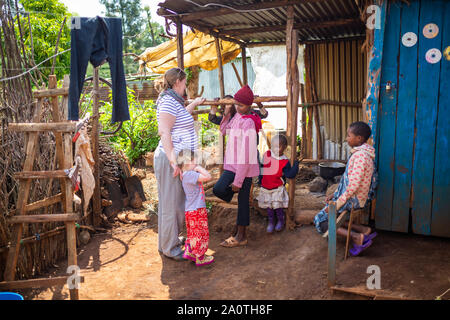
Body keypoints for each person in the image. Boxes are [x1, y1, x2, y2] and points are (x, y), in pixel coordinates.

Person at [154, 67, 205, 261]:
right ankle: (171, 248)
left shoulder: (173, 101)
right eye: (184, 83)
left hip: (175, 159)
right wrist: (174, 162)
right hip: (171, 161)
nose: (185, 87)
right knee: (172, 205)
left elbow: (181, 116)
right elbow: (165, 132)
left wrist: (195, 103)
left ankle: (166, 242)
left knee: (171, 203)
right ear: (177, 82)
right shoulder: (168, 101)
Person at [314, 121, 378, 256]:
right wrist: (336, 194)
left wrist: (336, 204)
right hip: (356, 198)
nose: (346, 138)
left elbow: (353, 186)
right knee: (330, 214)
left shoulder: (361, 156)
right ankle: (363, 230)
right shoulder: (362, 153)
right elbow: (348, 181)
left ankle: (356, 237)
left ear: (359, 138)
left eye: (349, 135)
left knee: (321, 220)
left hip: (355, 200)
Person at [213, 85, 260, 247]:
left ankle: (241, 236)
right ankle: (239, 229)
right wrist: (226, 113)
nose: (238, 108)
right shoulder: (237, 117)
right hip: (232, 166)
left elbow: (246, 156)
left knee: (243, 202)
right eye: (236, 104)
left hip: (244, 169)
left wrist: (238, 182)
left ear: (249, 105)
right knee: (218, 189)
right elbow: (224, 130)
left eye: (241, 105)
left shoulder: (249, 124)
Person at [176, 149, 214, 266]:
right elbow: (208, 176)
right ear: (187, 162)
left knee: (193, 233)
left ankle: (192, 253)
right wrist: (198, 168)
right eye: (194, 161)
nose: (197, 162)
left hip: (191, 210)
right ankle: (200, 257)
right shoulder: (191, 174)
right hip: (197, 210)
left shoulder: (185, 174)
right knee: (200, 234)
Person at [256, 134, 299, 233]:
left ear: (284, 148)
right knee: (269, 207)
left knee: (277, 206)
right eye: (273, 146)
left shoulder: (284, 161)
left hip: (277, 188)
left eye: (278, 147)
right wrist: (260, 180)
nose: (275, 149)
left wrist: (296, 165)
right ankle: (271, 222)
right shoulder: (267, 154)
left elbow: (290, 174)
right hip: (266, 187)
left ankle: (281, 220)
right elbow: (262, 168)